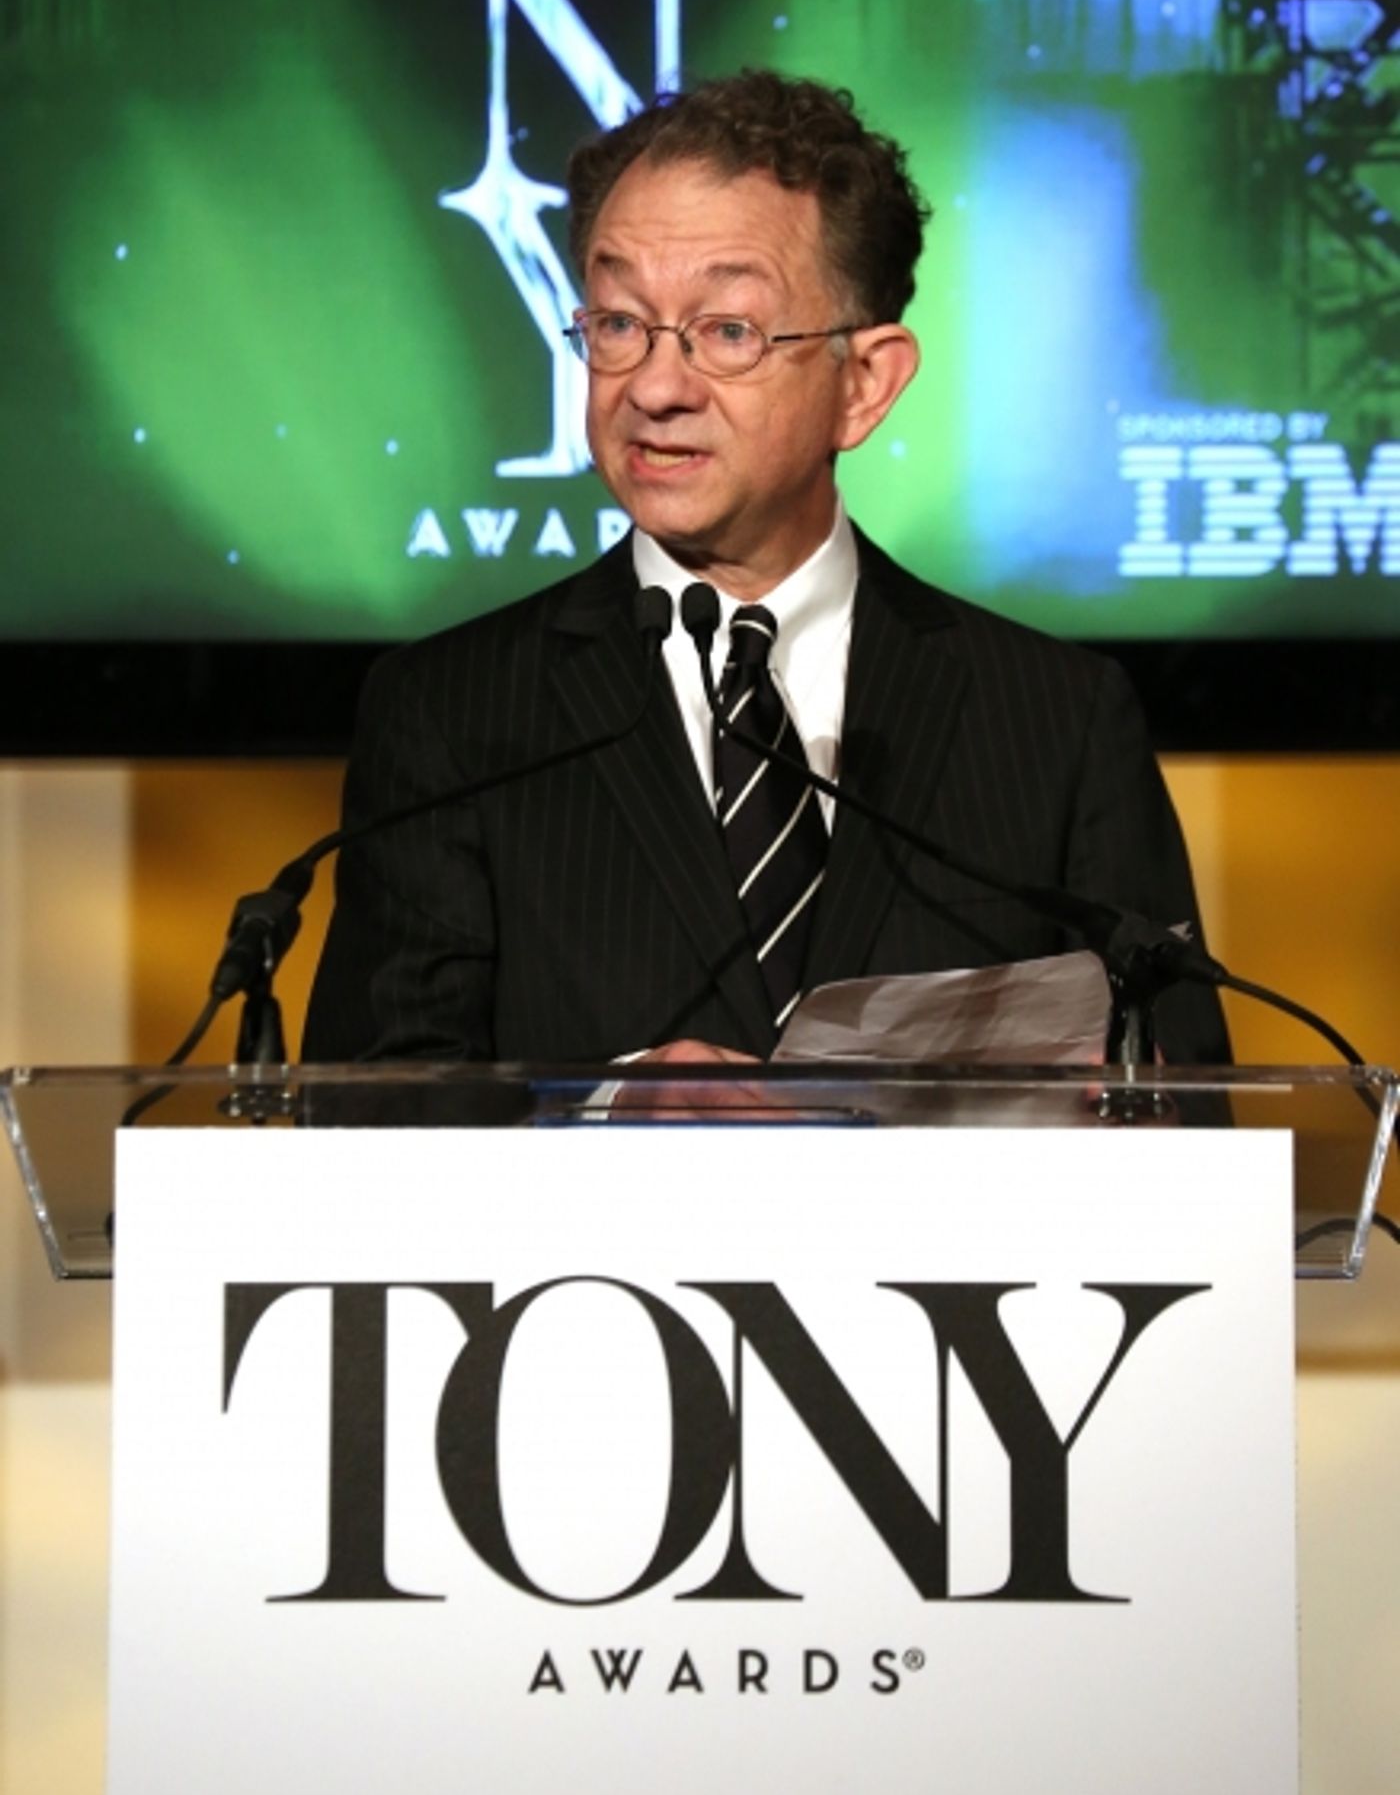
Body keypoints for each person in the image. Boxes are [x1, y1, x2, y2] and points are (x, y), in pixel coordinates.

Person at [303, 70, 1229, 1076]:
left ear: (863, 384)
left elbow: (1177, 1123)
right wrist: (609, 1116)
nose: (654, 387)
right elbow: (371, 1126)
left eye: (726, 332)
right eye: (617, 323)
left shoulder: (1057, 725)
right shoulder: (451, 718)